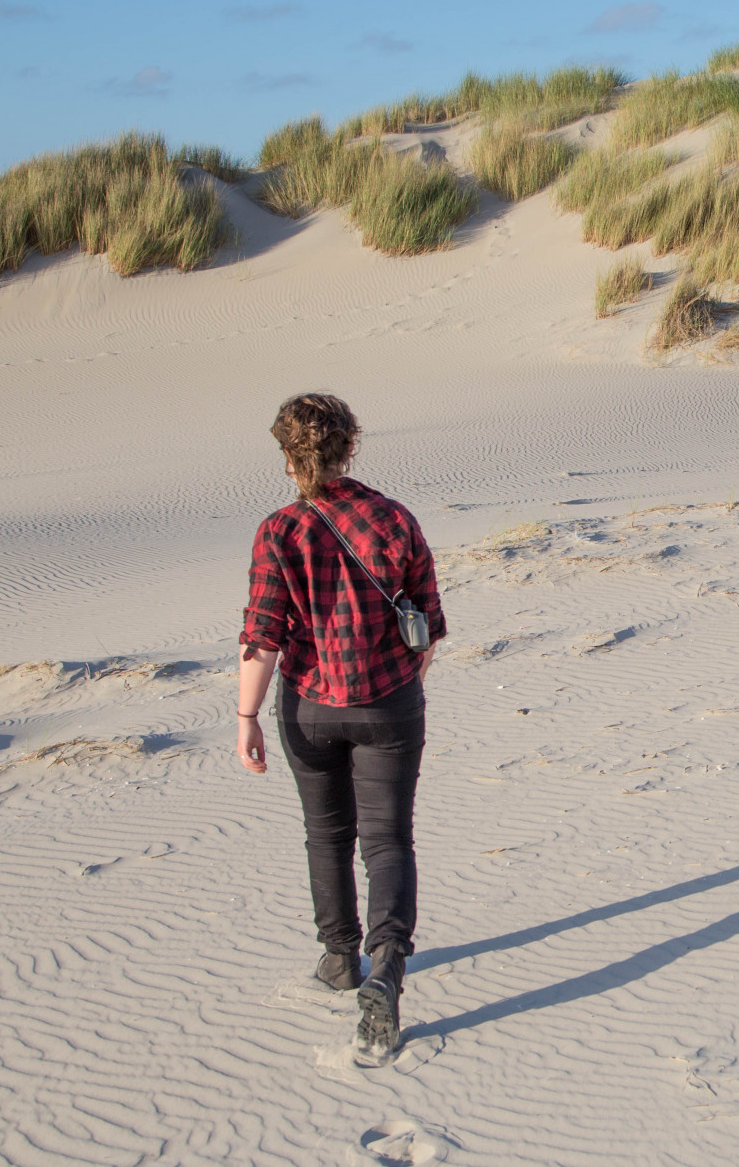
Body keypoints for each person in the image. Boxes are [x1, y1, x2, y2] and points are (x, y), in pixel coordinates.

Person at [235, 392, 446, 1063]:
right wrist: (401, 683)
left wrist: (245, 716)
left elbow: (262, 638)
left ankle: (337, 958)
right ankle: (385, 966)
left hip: (308, 707)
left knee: (326, 834)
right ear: (350, 446)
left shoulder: (278, 532)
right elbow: (427, 629)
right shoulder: (393, 518)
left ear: (288, 457)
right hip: (388, 702)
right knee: (388, 839)